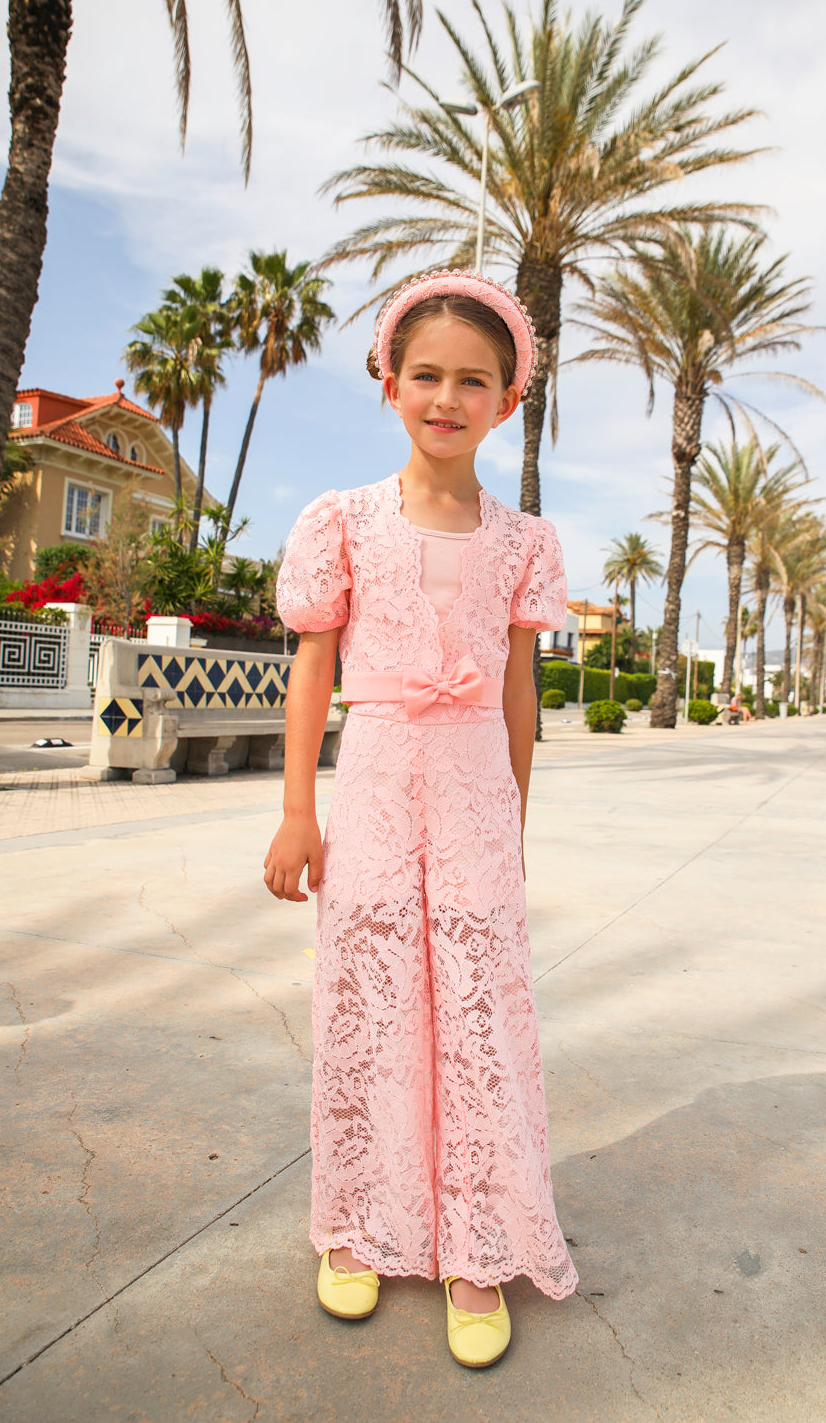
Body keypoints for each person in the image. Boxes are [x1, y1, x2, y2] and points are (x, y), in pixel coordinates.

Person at [264, 270, 578, 1369]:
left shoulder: (525, 542)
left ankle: (477, 1244)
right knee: (370, 1001)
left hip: (476, 800)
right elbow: (311, 674)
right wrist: (298, 811)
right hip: (377, 789)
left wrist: (515, 828)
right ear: (390, 382)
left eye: (473, 380)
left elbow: (518, 694)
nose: (447, 396)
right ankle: (357, 1227)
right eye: (428, 374)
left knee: (484, 1017)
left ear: (507, 399)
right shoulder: (341, 522)